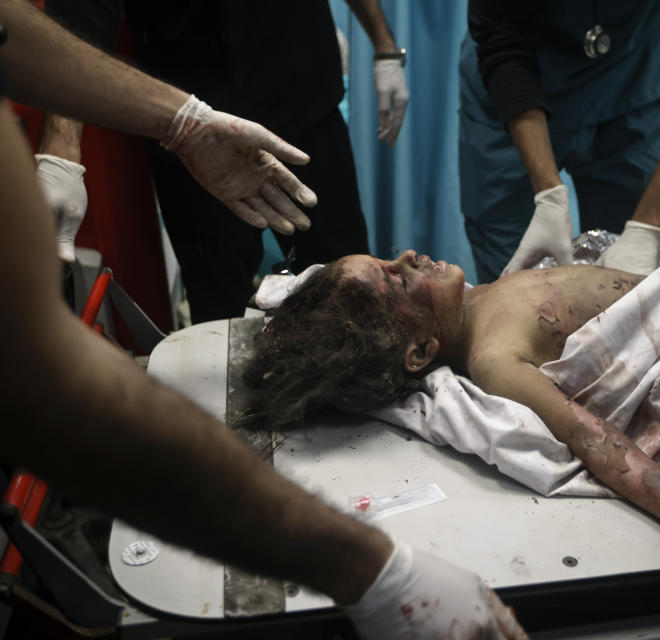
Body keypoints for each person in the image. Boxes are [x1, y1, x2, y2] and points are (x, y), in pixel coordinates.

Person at [0, 2, 524, 638]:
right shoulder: (495, 359)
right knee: (234, 287)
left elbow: (15, 35)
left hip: (290, 85)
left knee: (341, 259)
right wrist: (78, 140)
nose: (410, 254)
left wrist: (384, 43)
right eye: (394, 269)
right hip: (192, 74)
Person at [243, 234, 660, 622]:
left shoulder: (481, 298)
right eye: (393, 283)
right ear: (419, 352)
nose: (403, 258)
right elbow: (590, 438)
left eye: (381, 259)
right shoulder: (493, 358)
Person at [40, 0, 410, 322]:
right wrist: (61, 144)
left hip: (302, 91)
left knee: (354, 291)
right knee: (219, 310)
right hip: (191, 121)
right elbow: (80, 9)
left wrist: (385, 47)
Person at [459, 0, 660, 282]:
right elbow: (501, 37)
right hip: (514, 94)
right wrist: (548, 194)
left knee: (630, 287)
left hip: (632, 85)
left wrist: (647, 227)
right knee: (511, 288)